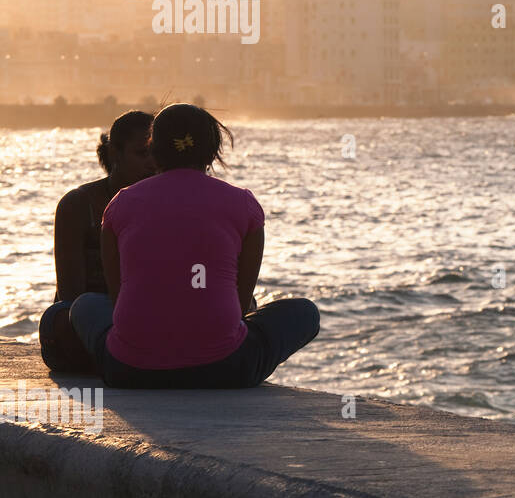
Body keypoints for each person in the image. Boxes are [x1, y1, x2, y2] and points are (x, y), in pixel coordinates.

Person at [68, 103, 319, 388]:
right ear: (212, 151)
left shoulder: (120, 203)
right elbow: (239, 304)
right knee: (305, 312)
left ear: (155, 150)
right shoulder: (244, 204)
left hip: (129, 370)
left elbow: (117, 297)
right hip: (226, 369)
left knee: (85, 305)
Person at [39, 110, 155, 373]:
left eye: (155, 154)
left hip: (143, 318)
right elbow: (71, 293)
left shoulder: (166, 203)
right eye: (141, 153)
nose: (151, 164)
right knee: (67, 315)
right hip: (90, 318)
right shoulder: (79, 204)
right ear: (115, 153)